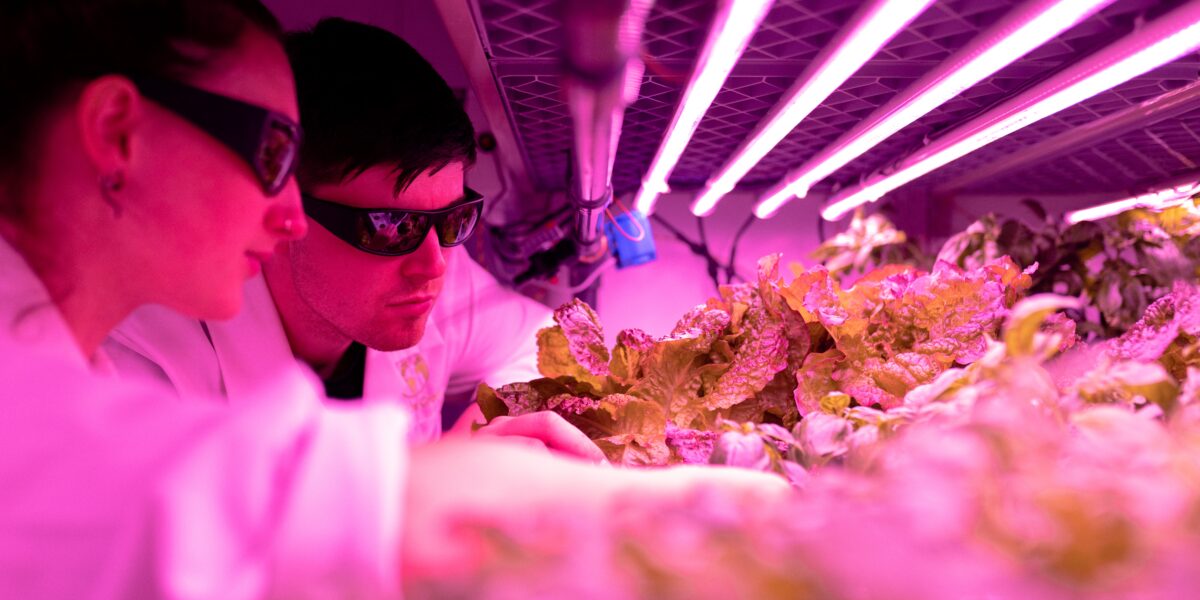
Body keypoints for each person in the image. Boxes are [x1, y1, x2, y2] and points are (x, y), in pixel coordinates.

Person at [0, 0, 786, 597]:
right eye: (270, 153)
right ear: (117, 132)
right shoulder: (79, 387)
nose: (283, 215)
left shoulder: (55, 347)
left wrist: (493, 429)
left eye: (453, 221)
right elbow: (222, 514)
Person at [103, 18, 599, 457]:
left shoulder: (432, 261)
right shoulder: (144, 356)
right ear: (281, 211)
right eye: (390, 226)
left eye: (452, 219)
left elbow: (551, 344)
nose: (434, 265)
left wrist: (479, 441)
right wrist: (427, 487)